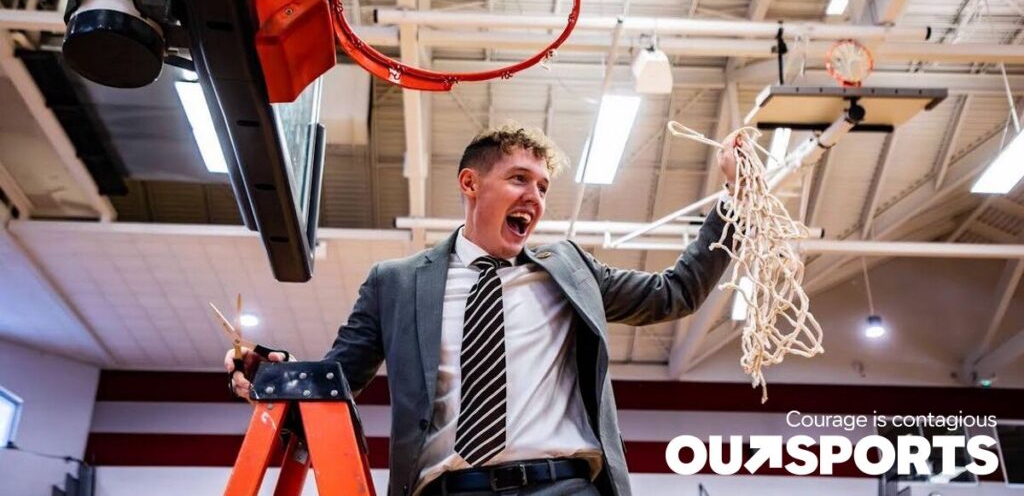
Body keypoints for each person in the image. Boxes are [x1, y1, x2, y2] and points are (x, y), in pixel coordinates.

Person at [227, 123, 741, 496]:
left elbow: (677, 292)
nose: (535, 197)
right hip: (450, 489)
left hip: (562, 488)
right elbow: (338, 376)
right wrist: (275, 376)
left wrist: (733, 199)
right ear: (470, 184)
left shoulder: (570, 268)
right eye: (520, 179)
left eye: (542, 186)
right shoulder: (397, 283)